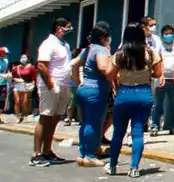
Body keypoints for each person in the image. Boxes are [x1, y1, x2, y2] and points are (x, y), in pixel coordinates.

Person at [105, 22, 162, 177]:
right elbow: (158, 73)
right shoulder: (150, 53)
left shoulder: (120, 54)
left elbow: (109, 73)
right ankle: (134, 168)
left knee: (118, 132)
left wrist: (120, 75)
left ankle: (112, 166)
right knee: (137, 132)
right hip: (144, 93)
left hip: (125, 93)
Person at [32, 17, 74, 167]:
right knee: (45, 117)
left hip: (63, 85)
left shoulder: (65, 45)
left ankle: (47, 151)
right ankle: (36, 154)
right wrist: (51, 85)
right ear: (59, 28)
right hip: (51, 85)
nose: (70, 29)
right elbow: (42, 66)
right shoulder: (48, 44)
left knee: (55, 118)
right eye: (68, 27)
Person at [71, 23, 114, 167]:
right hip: (96, 90)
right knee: (94, 123)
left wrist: (79, 83)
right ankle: (89, 155)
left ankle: (83, 153)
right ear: (103, 37)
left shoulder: (87, 49)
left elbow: (74, 65)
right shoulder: (101, 50)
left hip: (84, 89)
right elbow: (103, 68)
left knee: (85, 123)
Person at [151, 25, 174, 135]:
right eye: (166, 34)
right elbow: (158, 60)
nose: (169, 35)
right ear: (162, 35)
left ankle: (172, 126)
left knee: (173, 104)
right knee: (157, 104)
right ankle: (155, 126)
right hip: (161, 78)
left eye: (170, 33)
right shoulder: (159, 45)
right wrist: (160, 74)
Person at [11, 55, 35, 124]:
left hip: (26, 86)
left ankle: (23, 115)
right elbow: (12, 78)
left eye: (24, 57)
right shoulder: (16, 68)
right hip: (17, 85)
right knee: (17, 101)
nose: (23, 59)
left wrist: (33, 85)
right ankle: (18, 117)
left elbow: (34, 78)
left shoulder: (31, 67)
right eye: (22, 57)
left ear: (27, 59)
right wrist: (16, 79)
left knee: (24, 102)